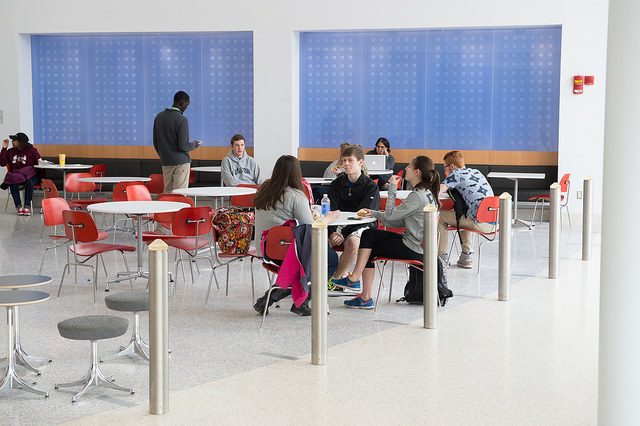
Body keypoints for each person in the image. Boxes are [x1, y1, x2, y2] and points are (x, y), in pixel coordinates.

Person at [331, 155, 441, 309]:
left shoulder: (417, 196)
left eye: (409, 166)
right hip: (419, 245)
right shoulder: (426, 193)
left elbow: (389, 216)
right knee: (368, 238)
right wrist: (374, 213)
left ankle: (360, 289)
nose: (406, 169)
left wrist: (392, 189)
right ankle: (360, 290)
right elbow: (395, 220)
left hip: (413, 247)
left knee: (368, 243)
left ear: (417, 172)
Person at [253, 155, 340, 316]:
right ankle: (290, 299)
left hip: (264, 250)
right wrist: (329, 218)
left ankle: (279, 298)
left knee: (311, 261)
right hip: (288, 253)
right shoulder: (295, 195)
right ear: (296, 173)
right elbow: (313, 226)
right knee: (330, 259)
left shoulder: (263, 190)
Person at [327, 144, 381, 286]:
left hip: (361, 226)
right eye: (344, 160)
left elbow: (364, 216)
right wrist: (332, 233)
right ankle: (314, 279)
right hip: (338, 225)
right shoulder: (336, 184)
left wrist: (343, 234)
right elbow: (330, 211)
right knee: (316, 238)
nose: (346, 164)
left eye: (350, 160)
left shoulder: (371, 187)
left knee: (353, 242)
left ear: (360, 162)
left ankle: (335, 280)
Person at [438, 150, 494, 269]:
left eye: (445, 167)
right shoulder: (476, 172)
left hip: (480, 222)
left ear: (452, 166)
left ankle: (441, 258)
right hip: (495, 220)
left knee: (440, 216)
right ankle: (466, 257)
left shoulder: (456, 174)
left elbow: (438, 191)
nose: (445, 171)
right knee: (464, 213)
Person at [153, 91, 202, 193]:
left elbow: (155, 142)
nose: (186, 108)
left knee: (167, 193)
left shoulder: (159, 117)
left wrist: (164, 156)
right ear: (181, 104)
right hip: (181, 162)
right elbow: (183, 146)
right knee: (180, 194)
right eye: (186, 105)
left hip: (166, 162)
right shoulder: (182, 119)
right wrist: (194, 144)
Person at [0, 132, 41, 216]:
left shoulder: (32, 151)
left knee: (29, 182)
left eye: (14, 140)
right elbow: (2, 163)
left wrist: (42, 179)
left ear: (20, 142)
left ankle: (27, 206)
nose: (12, 142)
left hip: (31, 175)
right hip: (17, 177)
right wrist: (4, 149)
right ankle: (19, 207)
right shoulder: (11, 151)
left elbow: (39, 165)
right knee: (13, 183)